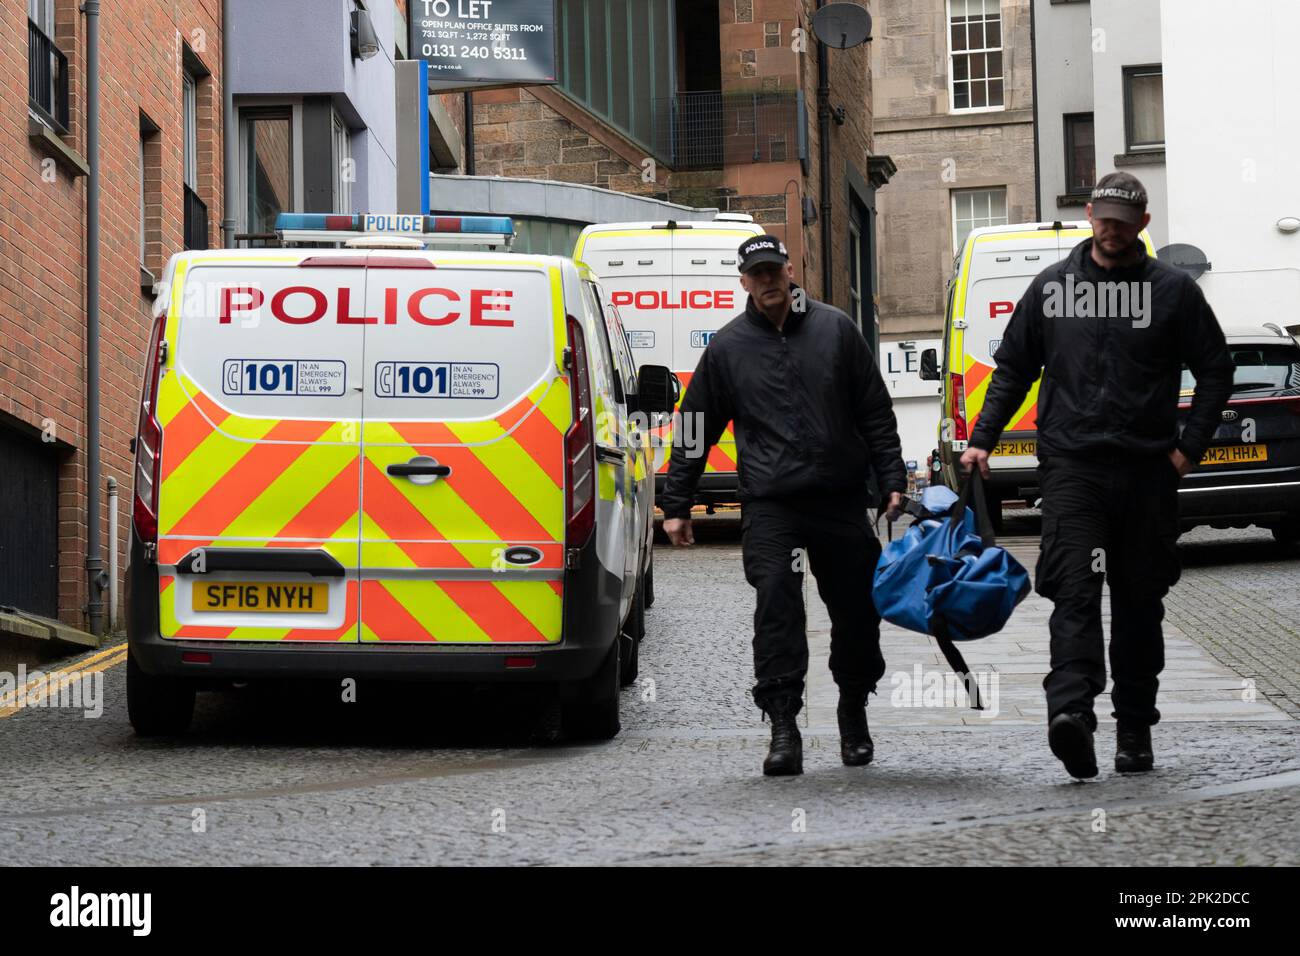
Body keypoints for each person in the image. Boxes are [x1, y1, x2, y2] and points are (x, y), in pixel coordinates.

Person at [960, 172, 1234, 779]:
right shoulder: (1052, 288)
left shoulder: (1173, 293)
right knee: (1075, 597)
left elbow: (1216, 371)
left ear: (1143, 224)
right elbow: (1011, 370)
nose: (1111, 228)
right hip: (1073, 469)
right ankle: (1072, 716)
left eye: (1123, 218)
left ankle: (1134, 728)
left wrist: (1188, 449)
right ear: (1089, 214)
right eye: (1103, 216)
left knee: (1140, 604)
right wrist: (981, 440)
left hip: (1146, 473)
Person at [660, 234, 906, 777]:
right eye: (758, 273)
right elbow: (695, 429)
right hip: (772, 504)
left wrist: (892, 479)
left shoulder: (836, 329)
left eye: (775, 270)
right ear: (744, 281)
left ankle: (852, 709)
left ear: (790, 271)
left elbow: (875, 413)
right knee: (777, 603)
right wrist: (676, 502)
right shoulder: (728, 348)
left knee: (857, 611)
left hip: (839, 500)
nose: (769, 280)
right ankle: (783, 726)